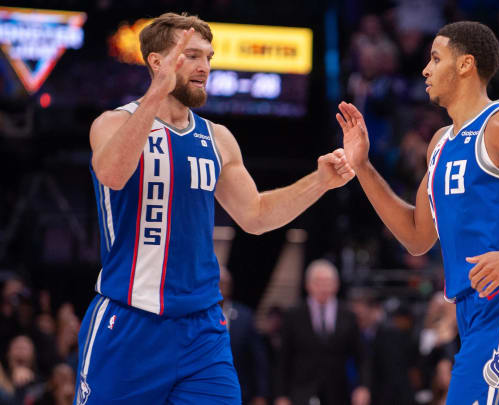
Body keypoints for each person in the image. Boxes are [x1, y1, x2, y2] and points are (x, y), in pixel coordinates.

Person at [77, 12, 355, 405]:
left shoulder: (218, 138)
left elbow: (256, 216)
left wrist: (321, 181)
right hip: (130, 320)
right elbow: (113, 174)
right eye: (190, 56)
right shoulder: (111, 123)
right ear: (156, 61)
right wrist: (156, 93)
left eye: (208, 57)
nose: (204, 67)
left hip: (202, 328)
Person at [336, 21, 499, 404]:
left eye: (435, 58)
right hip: (471, 309)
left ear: (465, 64)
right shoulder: (439, 144)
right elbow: (415, 236)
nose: (425, 70)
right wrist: (362, 167)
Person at [275, 260, 370, 405]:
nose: (323, 287)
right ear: (308, 285)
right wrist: (281, 395)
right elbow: (283, 358)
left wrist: (363, 386)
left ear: (336, 284)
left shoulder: (348, 315)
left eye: (327, 282)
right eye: (318, 282)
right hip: (301, 392)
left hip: (338, 393)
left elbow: (361, 356)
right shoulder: (293, 315)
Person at [219, 267, 270, 405]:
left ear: (230, 287)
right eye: (216, 283)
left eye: (223, 284)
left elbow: (258, 358)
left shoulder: (245, 316)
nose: (220, 288)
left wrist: (260, 394)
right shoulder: (196, 316)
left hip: (240, 393)